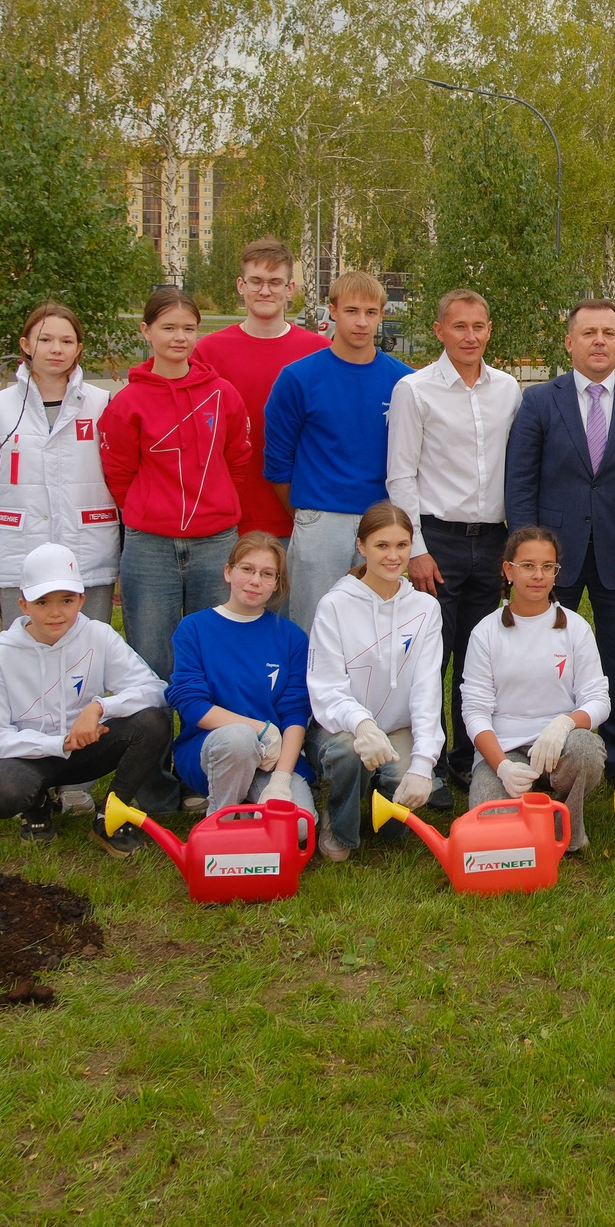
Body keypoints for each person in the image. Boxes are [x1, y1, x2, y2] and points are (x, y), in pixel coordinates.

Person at [503, 299, 615, 792]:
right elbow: (520, 481)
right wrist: (528, 558)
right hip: (551, 559)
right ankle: (542, 755)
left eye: (609, 333)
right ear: (570, 342)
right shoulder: (539, 401)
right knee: (544, 659)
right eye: (589, 333)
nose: (599, 341)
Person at [386, 287, 522, 811]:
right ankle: (429, 758)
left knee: (477, 657)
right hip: (436, 539)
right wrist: (416, 549)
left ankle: (469, 756)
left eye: (479, 326)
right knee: (430, 658)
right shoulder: (414, 390)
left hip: (490, 540)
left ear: (490, 330)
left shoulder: (508, 390)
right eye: (459, 326)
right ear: (439, 330)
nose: (470, 336)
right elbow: (401, 475)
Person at [0, 541, 177, 857]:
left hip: (89, 749)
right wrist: (58, 745)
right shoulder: (1, 656)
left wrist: (99, 707)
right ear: (23, 606)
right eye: (42, 602)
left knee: (152, 721)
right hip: (34, 757)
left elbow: (155, 690)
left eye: (66, 600)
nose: (56, 613)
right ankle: (38, 805)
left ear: (82, 600)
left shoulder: (98, 635)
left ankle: (112, 815)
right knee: (4, 793)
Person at [100, 288, 262, 679]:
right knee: (151, 659)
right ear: (146, 331)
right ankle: (153, 739)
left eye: (189, 329)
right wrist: (150, 508)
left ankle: (208, 739)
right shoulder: (128, 402)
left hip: (215, 543)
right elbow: (119, 474)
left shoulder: (223, 395)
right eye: (168, 327)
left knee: (216, 655)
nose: (179, 337)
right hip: (150, 548)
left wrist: (214, 501)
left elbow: (237, 460)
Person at [266, 271, 412, 629]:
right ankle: (306, 688)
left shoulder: (404, 381)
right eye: (351, 310)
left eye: (371, 312)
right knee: (314, 624)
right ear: (332, 311)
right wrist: (309, 512)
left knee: (375, 627)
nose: (362, 322)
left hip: (383, 520)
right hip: (321, 519)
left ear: (381, 314)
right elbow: (278, 463)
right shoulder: (298, 378)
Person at [307, 501, 446, 860]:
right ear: (361, 546)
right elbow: (326, 688)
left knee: (394, 831)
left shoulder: (426, 609)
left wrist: (423, 763)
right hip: (342, 727)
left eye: (402, 545)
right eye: (382, 545)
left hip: (398, 728)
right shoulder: (334, 605)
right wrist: (363, 725)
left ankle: (380, 798)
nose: (393, 556)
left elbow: (428, 688)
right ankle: (339, 824)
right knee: (349, 753)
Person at [459, 526, 611, 851]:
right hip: (505, 751)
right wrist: (501, 766)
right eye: (527, 565)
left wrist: (566, 723)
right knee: (492, 835)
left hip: (559, 746)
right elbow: (474, 712)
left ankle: (566, 829)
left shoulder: (575, 628)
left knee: (586, 750)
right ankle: (520, 800)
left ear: (556, 572)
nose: (538, 575)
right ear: (508, 570)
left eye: (547, 567)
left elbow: (598, 699)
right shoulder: (485, 633)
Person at [166, 531, 316, 841]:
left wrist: (281, 780)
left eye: (267, 574)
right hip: (214, 749)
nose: (255, 580)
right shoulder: (194, 628)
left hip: (272, 758)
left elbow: (295, 712)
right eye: (246, 569)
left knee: (299, 829)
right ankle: (220, 823)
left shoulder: (290, 637)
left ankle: (255, 802)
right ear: (228, 571)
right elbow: (191, 704)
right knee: (239, 739)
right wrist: (260, 729)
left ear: (277, 584)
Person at [0, 301, 117, 626]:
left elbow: (118, 484)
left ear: (79, 348)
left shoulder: (102, 406)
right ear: (26, 345)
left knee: (87, 656)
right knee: (23, 658)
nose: (56, 349)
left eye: (67, 341)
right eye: (45, 339)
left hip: (89, 555)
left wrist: (120, 560)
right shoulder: (0, 411)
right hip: (18, 556)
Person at [191, 237, 325, 545]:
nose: (265, 291)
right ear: (241, 285)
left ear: (290, 289)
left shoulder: (318, 351)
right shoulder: (208, 352)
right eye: (256, 281)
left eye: (275, 282)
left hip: (299, 516)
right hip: (227, 518)